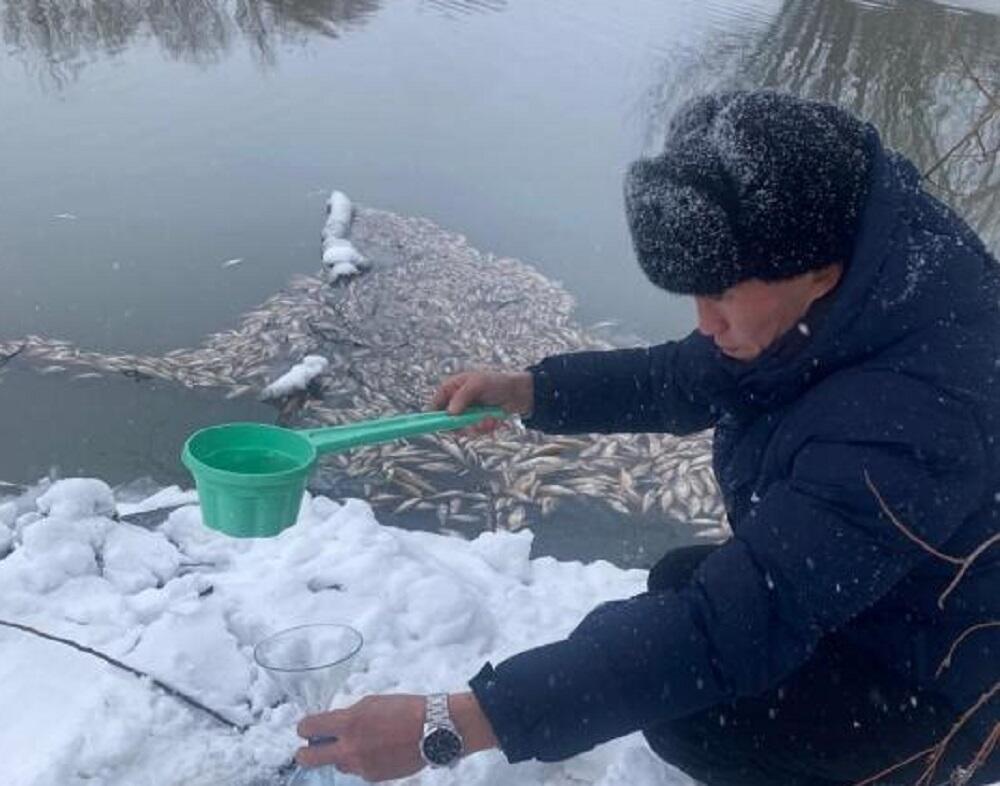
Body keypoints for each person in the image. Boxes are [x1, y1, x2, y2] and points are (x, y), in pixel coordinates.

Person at [294, 91, 1000, 785]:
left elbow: (728, 630)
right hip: (896, 600)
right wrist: (530, 391)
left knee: (693, 713)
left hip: (953, 684)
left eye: (720, 295)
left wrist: (452, 724)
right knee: (677, 587)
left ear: (819, 273)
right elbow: (687, 377)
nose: (705, 322)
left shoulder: (917, 413)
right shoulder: (858, 274)